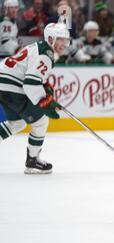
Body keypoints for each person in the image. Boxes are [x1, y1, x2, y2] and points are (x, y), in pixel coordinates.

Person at [0, 23, 69, 173]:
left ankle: (32, 160)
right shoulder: (46, 54)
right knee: (41, 121)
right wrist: (46, 104)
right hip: (11, 86)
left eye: (65, 40)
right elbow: (30, 84)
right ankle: (32, 161)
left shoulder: (39, 47)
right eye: (61, 39)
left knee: (17, 123)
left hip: (3, 84)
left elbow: (34, 78)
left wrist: (45, 89)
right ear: (50, 38)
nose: (64, 43)